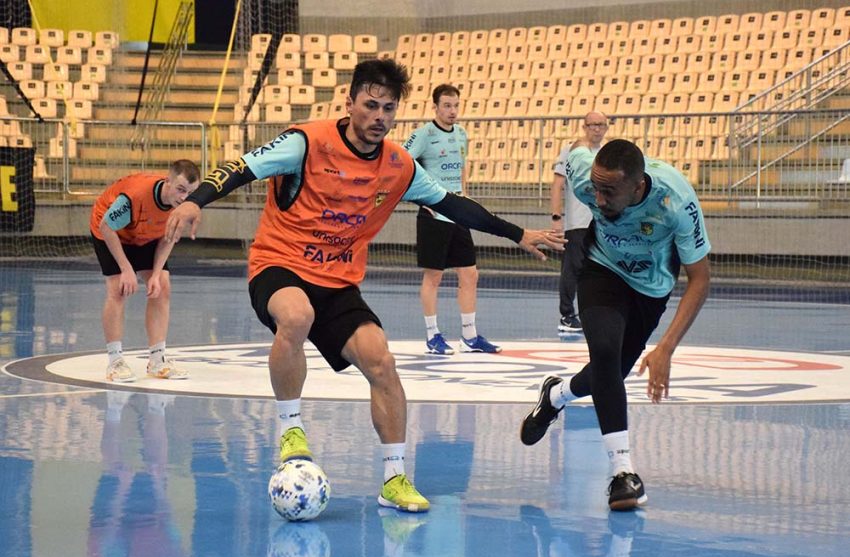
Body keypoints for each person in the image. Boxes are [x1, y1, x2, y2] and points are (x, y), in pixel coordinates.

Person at [164, 59, 563, 513]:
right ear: (349, 102)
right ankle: (290, 429)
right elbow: (240, 168)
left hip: (337, 281)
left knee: (382, 361)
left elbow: (453, 204)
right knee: (296, 315)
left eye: (388, 109)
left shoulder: (398, 166)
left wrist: (519, 233)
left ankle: (394, 480)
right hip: (280, 265)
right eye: (370, 105)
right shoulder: (305, 143)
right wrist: (196, 202)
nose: (378, 116)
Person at [520, 139, 711, 511]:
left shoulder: (676, 202)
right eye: (595, 189)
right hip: (601, 271)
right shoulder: (584, 176)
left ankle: (556, 395)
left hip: (650, 290)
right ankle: (623, 473)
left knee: (612, 374)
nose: (599, 200)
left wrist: (666, 347)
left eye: (609, 192)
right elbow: (574, 152)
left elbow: (700, 279)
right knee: (605, 355)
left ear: (638, 187)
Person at [403, 84, 499, 355]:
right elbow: (401, 168)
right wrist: (423, 199)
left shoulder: (461, 134)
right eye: (446, 105)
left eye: (456, 105)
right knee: (434, 276)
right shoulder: (423, 135)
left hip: (457, 212)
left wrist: (464, 198)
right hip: (433, 213)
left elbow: (462, 166)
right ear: (435, 107)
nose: (452, 110)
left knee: (470, 273)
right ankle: (432, 335)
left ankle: (469, 335)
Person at [89, 160, 201, 383]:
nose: (184, 198)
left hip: (146, 233)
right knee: (118, 288)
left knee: (163, 287)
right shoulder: (135, 196)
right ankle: (115, 361)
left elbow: (168, 239)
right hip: (112, 232)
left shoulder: (184, 207)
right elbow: (106, 227)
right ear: (167, 182)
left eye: (190, 193)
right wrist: (126, 268)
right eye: (180, 190)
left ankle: (157, 360)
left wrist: (157, 274)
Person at [550, 112, 608, 335]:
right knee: (572, 269)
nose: (596, 129)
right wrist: (557, 217)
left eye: (600, 125)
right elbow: (557, 184)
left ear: (606, 127)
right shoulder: (571, 151)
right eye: (592, 125)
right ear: (584, 127)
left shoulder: (607, 153)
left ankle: (595, 313)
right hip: (578, 222)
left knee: (600, 270)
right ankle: (566, 316)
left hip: (602, 222)